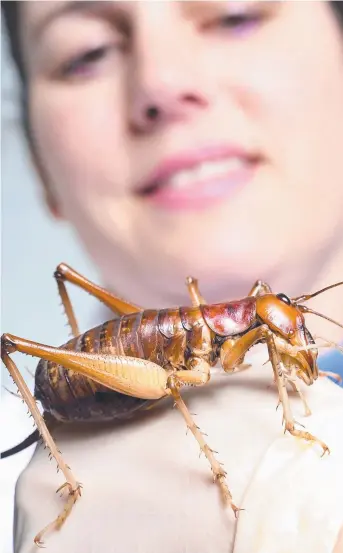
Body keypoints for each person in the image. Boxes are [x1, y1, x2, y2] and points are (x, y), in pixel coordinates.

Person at [1, 2, 343, 552]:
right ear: (38, 167)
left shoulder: (252, 330)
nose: (163, 82)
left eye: (236, 14)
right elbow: (177, 391)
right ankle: (73, 482)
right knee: (175, 385)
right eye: (87, 53)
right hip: (100, 378)